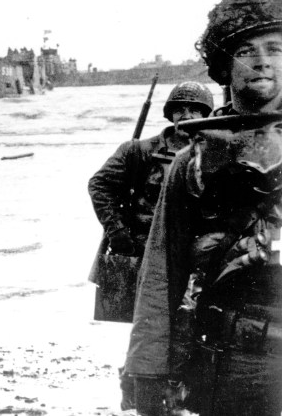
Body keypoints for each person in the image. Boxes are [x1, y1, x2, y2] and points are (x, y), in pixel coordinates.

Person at [125, 0, 282, 416]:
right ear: (224, 67)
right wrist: (148, 368)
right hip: (231, 364)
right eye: (246, 51)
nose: (262, 61)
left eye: (275, 49)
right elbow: (161, 272)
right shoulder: (193, 160)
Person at [87, 81, 213, 411]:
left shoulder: (211, 155)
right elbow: (99, 185)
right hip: (145, 253)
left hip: (191, 255)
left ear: (206, 115)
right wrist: (118, 234)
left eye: (196, 110)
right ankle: (141, 393)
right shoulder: (139, 151)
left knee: (188, 325)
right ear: (170, 114)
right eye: (180, 109)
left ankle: (174, 393)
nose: (187, 115)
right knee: (149, 330)